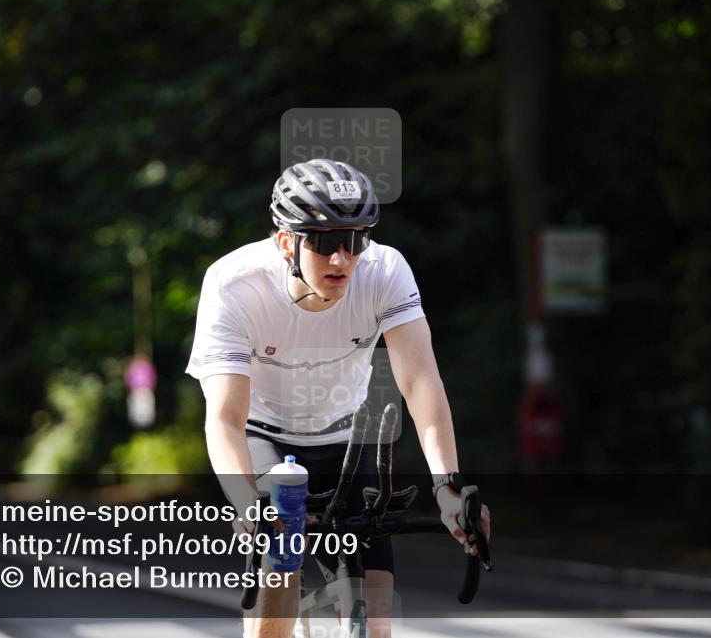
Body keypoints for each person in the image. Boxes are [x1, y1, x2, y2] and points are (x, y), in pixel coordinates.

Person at [186, 158, 491, 638]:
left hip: (348, 442)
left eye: (355, 241)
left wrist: (447, 487)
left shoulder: (384, 271)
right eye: (325, 242)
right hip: (266, 440)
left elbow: (421, 382)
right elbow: (225, 419)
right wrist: (247, 503)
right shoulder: (234, 286)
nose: (342, 259)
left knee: (376, 622)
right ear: (287, 242)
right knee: (279, 567)